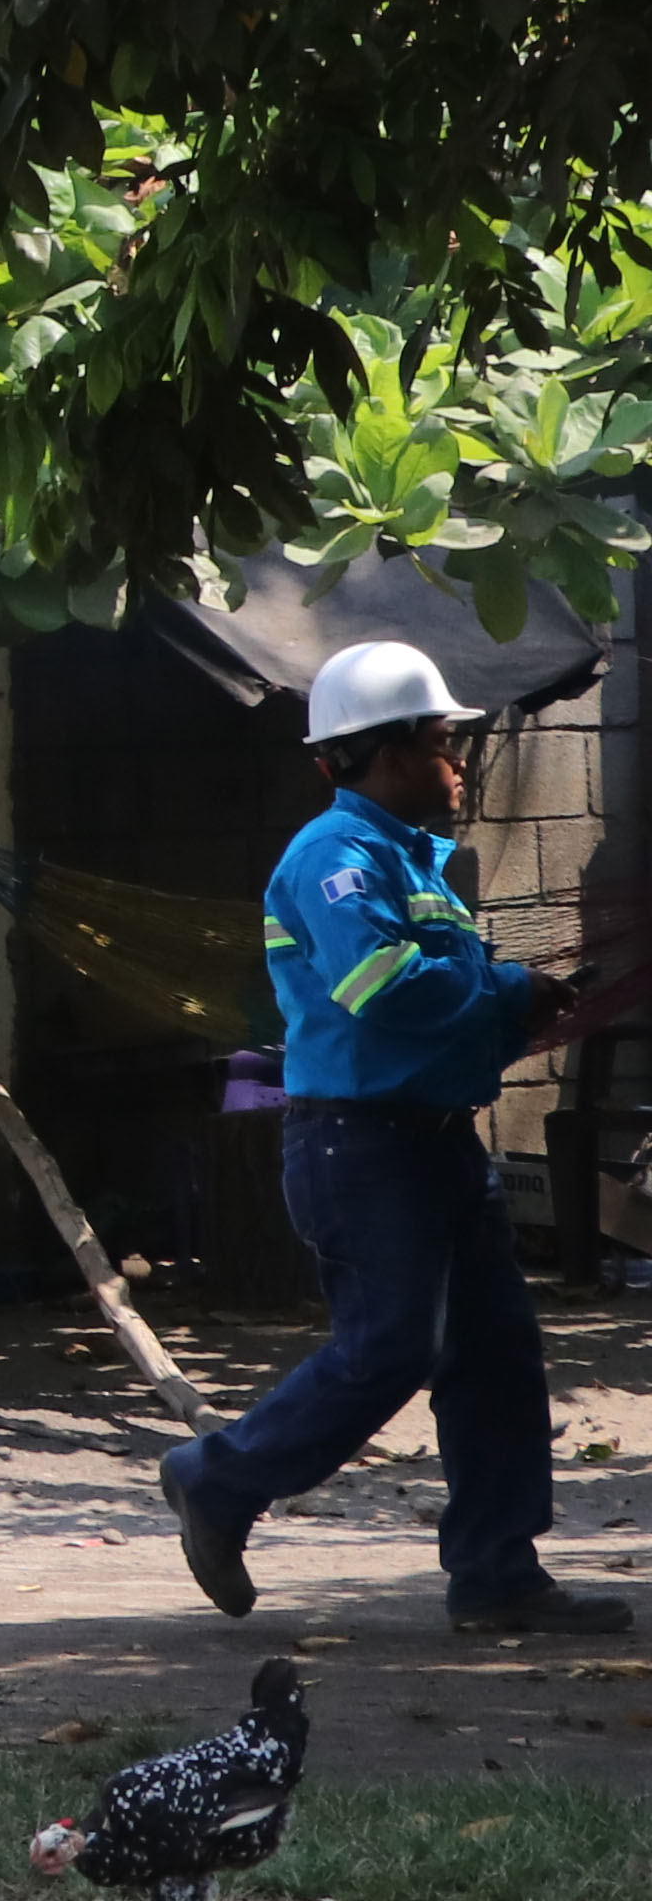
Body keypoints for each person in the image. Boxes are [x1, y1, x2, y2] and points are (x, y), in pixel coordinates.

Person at [157, 641, 636, 1636]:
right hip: (359, 1148)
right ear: (380, 753)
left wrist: (519, 1006)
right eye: (442, 741)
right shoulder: (334, 860)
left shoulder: (416, 861)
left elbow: (438, 1004)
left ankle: (498, 1573)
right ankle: (217, 1476)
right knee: (390, 1347)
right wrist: (508, 989)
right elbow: (383, 991)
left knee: (496, 1351)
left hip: (436, 1143)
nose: (459, 760)